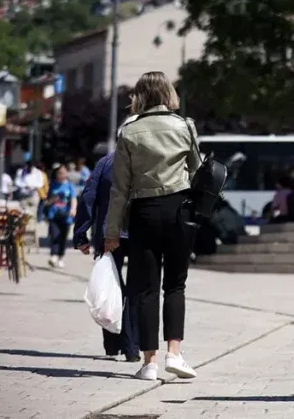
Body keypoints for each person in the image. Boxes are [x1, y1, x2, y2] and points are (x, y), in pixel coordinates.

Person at [105, 71, 202, 381]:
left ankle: (149, 362)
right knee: (175, 284)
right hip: (179, 210)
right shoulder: (185, 126)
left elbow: (119, 187)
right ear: (168, 94)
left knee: (146, 289)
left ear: (140, 96)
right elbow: (197, 170)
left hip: (143, 211)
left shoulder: (129, 132)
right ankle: (175, 353)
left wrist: (111, 231)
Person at [74, 116, 141, 362]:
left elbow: (88, 197)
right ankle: (132, 348)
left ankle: (113, 345)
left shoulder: (105, 162)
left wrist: (80, 233)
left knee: (109, 286)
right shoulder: (146, 164)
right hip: (138, 234)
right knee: (135, 289)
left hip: (106, 234)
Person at [44, 165, 77, 268]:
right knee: (54, 235)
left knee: (63, 237)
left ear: (66, 174)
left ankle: (60, 257)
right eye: (59, 173)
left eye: (63, 173)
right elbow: (47, 201)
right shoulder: (53, 184)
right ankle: (53, 255)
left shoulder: (70, 185)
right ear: (56, 174)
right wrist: (51, 200)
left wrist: (73, 209)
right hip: (54, 214)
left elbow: (73, 198)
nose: (61, 175)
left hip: (66, 215)